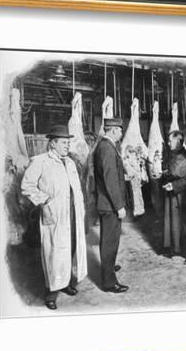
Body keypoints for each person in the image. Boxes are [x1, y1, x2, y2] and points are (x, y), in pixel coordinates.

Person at [21, 125, 88, 310]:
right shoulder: (41, 162)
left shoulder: (71, 163)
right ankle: (50, 293)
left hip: (72, 213)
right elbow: (27, 186)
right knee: (54, 254)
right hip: (55, 214)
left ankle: (65, 283)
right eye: (64, 143)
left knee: (70, 249)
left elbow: (76, 189)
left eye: (68, 142)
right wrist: (43, 203)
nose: (68, 146)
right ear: (53, 144)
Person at [93, 118, 129, 293]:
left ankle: (109, 267)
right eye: (121, 131)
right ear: (114, 130)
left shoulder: (105, 146)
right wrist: (119, 206)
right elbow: (110, 180)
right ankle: (108, 282)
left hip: (106, 203)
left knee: (109, 241)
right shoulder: (107, 148)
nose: (122, 134)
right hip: (109, 205)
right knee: (110, 242)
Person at [161, 131, 186, 261]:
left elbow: (181, 174)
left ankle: (184, 250)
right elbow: (172, 171)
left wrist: (168, 176)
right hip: (173, 192)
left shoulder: (185, 157)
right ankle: (175, 248)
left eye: (170, 141)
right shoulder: (175, 155)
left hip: (182, 194)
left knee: (181, 222)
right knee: (172, 221)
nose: (168, 143)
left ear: (179, 141)